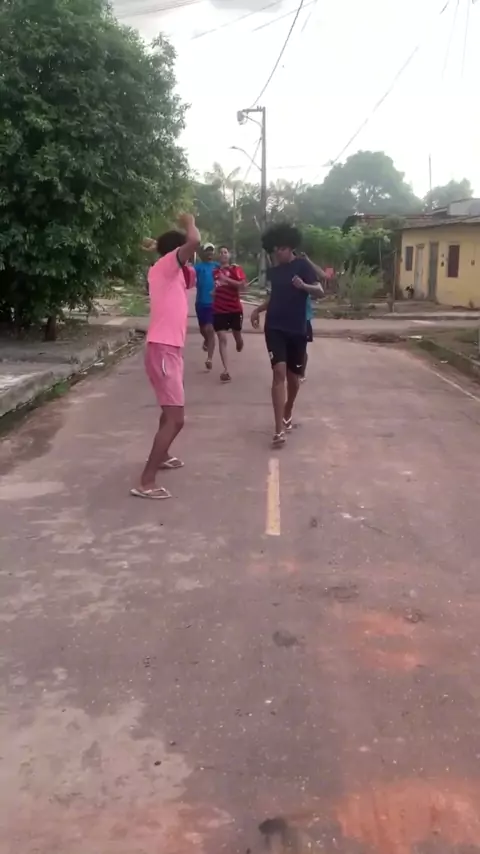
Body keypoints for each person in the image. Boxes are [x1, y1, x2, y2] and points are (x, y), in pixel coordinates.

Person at [131, 213, 201, 500]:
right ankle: (146, 481)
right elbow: (194, 241)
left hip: (168, 349)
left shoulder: (169, 271)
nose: (190, 256)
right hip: (163, 349)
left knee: (168, 411)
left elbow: (192, 274)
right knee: (176, 419)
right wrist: (190, 222)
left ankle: (162, 456)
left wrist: (158, 244)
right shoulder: (166, 266)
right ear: (176, 252)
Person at [251, 223, 324, 448]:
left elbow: (320, 291)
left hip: (297, 329)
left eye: (281, 249)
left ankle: (288, 408)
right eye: (275, 250)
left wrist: (304, 286)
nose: (278, 254)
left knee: (293, 379)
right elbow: (275, 297)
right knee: (278, 372)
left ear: (290, 247)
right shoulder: (275, 271)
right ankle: (278, 430)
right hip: (274, 327)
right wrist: (257, 310)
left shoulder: (302, 266)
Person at [212, 246, 247, 382]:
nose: (223, 254)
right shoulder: (215, 272)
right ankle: (226, 370)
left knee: (236, 334)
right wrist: (214, 293)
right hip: (219, 309)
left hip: (234, 309)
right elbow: (217, 287)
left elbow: (242, 286)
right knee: (222, 338)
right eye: (221, 253)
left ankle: (239, 342)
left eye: (225, 252)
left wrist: (226, 280)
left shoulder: (235, 269)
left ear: (229, 255)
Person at [194, 243, 218, 370]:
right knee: (203, 329)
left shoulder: (217, 267)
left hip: (214, 303)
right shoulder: (197, 267)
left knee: (210, 329)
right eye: (207, 251)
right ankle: (206, 340)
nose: (209, 253)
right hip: (200, 302)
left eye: (211, 251)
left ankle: (209, 359)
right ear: (203, 253)